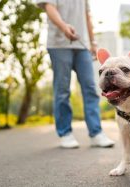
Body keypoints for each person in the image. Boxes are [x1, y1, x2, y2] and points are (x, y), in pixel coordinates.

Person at [36, 0, 114, 148]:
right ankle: (65, 133)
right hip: (58, 45)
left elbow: (87, 15)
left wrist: (93, 42)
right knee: (62, 90)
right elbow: (49, 7)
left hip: (81, 44)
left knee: (90, 88)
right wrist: (64, 27)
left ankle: (96, 133)